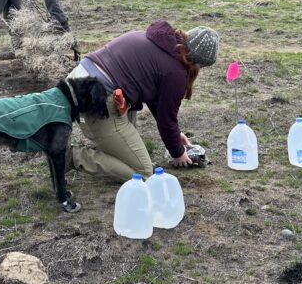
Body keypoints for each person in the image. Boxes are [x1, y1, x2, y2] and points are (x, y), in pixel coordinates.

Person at [67, 21, 219, 181]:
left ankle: (108, 145)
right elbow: (166, 120)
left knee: (128, 154)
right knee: (143, 173)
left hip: (80, 81)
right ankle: (71, 156)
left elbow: (157, 100)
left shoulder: (161, 41)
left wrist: (176, 136)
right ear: (198, 61)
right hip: (94, 99)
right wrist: (178, 153)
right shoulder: (176, 72)